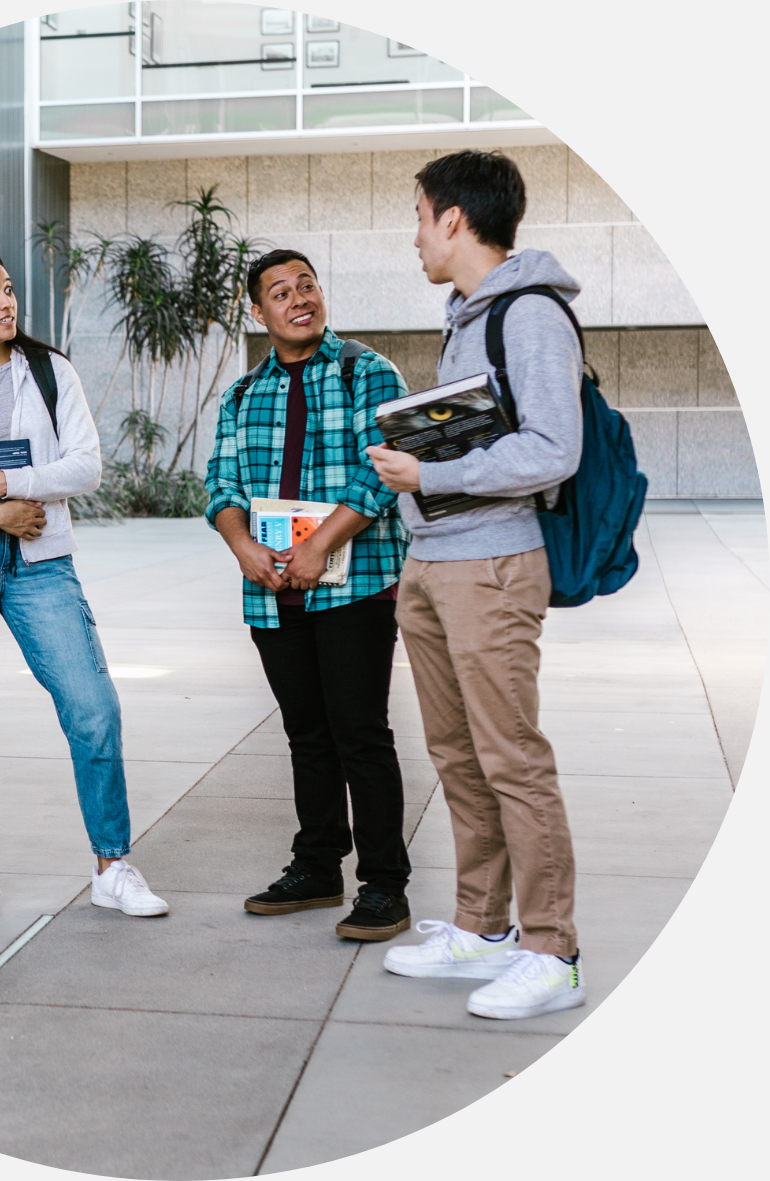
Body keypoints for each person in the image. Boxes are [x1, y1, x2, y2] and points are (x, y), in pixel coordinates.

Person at [369, 150, 586, 1019]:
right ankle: (481, 926)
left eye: (419, 216)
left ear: (453, 218)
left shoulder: (529, 314)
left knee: (510, 758)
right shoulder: (467, 314)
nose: (415, 236)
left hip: (491, 563)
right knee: (456, 755)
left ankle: (551, 949)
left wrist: (430, 478)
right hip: (435, 562)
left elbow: (551, 450)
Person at [0, 250, 168, 921]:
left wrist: (14, 486)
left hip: (41, 561)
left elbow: (86, 466)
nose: (6, 302)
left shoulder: (48, 372)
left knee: (92, 707)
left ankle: (112, 866)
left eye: (9, 290)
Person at [205, 248, 412, 941]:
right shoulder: (241, 395)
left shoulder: (365, 372)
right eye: (280, 292)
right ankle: (317, 865)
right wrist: (243, 548)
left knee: (360, 735)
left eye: (307, 285)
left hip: (353, 584)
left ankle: (384, 885)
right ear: (256, 311)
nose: (299, 299)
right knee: (306, 736)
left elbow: (381, 473)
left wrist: (320, 543)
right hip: (272, 592)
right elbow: (221, 486)